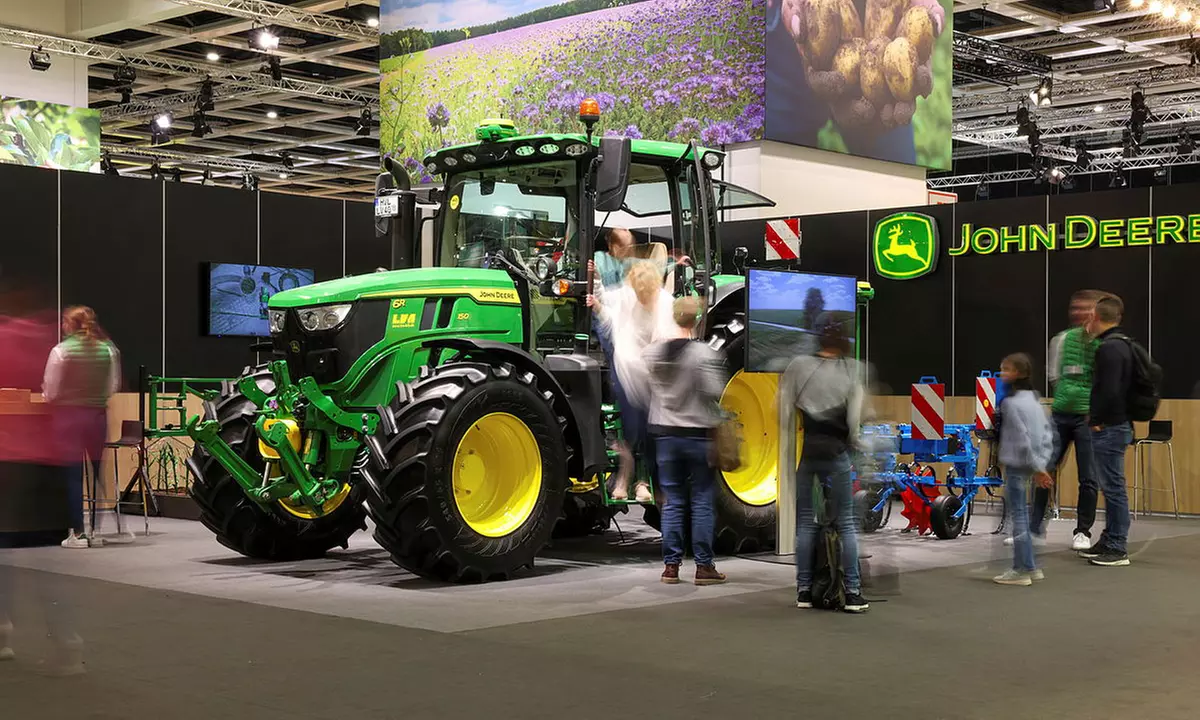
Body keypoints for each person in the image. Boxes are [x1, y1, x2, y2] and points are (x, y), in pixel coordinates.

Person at [781, 319, 869, 613]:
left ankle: (804, 592)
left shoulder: (798, 366)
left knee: (806, 523)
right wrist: (855, 442)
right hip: (837, 452)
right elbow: (854, 420)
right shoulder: (852, 369)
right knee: (846, 523)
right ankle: (853, 593)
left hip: (808, 452)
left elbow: (784, 410)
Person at [646, 296, 728, 585]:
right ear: (697, 319)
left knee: (673, 502)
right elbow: (714, 392)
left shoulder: (654, 354)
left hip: (666, 435)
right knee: (702, 500)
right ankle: (704, 566)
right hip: (697, 435)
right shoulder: (704, 354)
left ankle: (671, 567)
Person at [588, 260, 675, 502]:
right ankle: (625, 478)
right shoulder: (628, 296)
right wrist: (595, 283)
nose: (641, 297)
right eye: (638, 292)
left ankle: (643, 483)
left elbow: (666, 338)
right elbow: (608, 308)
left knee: (651, 430)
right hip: (628, 369)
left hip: (653, 373)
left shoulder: (665, 303)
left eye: (645, 293)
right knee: (631, 426)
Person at [1027, 290, 1102, 551]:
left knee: (1088, 477)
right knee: (1043, 469)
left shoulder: (1103, 343)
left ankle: (1083, 531)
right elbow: (1054, 375)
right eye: (1075, 308)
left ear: (1096, 311)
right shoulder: (1060, 340)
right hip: (1060, 415)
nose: (1079, 312)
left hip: (1087, 419)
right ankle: (1035, 529)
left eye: (1085, 308)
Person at [43, 306, 122, 549]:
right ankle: (96, 532)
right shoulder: (108, 349)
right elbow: (113, 386)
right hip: (98, 417)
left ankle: (77, 533)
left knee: (73, 476)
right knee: (97, 473)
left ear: (70, 324)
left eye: (64, 321)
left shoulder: (62, 351)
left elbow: (51, 391)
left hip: (69, 418)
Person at [1078, 295, 1134, 567]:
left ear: (1096, 317)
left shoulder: (1109, 348)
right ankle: (1109, 539)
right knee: (1112, 487)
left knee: (1113, 489)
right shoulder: (1123, 345)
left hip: (1110, 427)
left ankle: (1117, 546)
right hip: (1119, 424)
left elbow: (1109, 390)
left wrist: (1097, 419)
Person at [993, 353, 1055, 586]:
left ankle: (1022, 569)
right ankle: (1030, 566)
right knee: (1022, 514)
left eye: (1006, 369)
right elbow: (1046, 435)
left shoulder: (1010, 403)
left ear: (1018, 373)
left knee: (1018, 516)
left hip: (1018, 464)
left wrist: (1038, 468)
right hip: (1032, 463)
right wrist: (1041, 464)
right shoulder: (1034, 400)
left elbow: (1022, 438)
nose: (1002, 373)